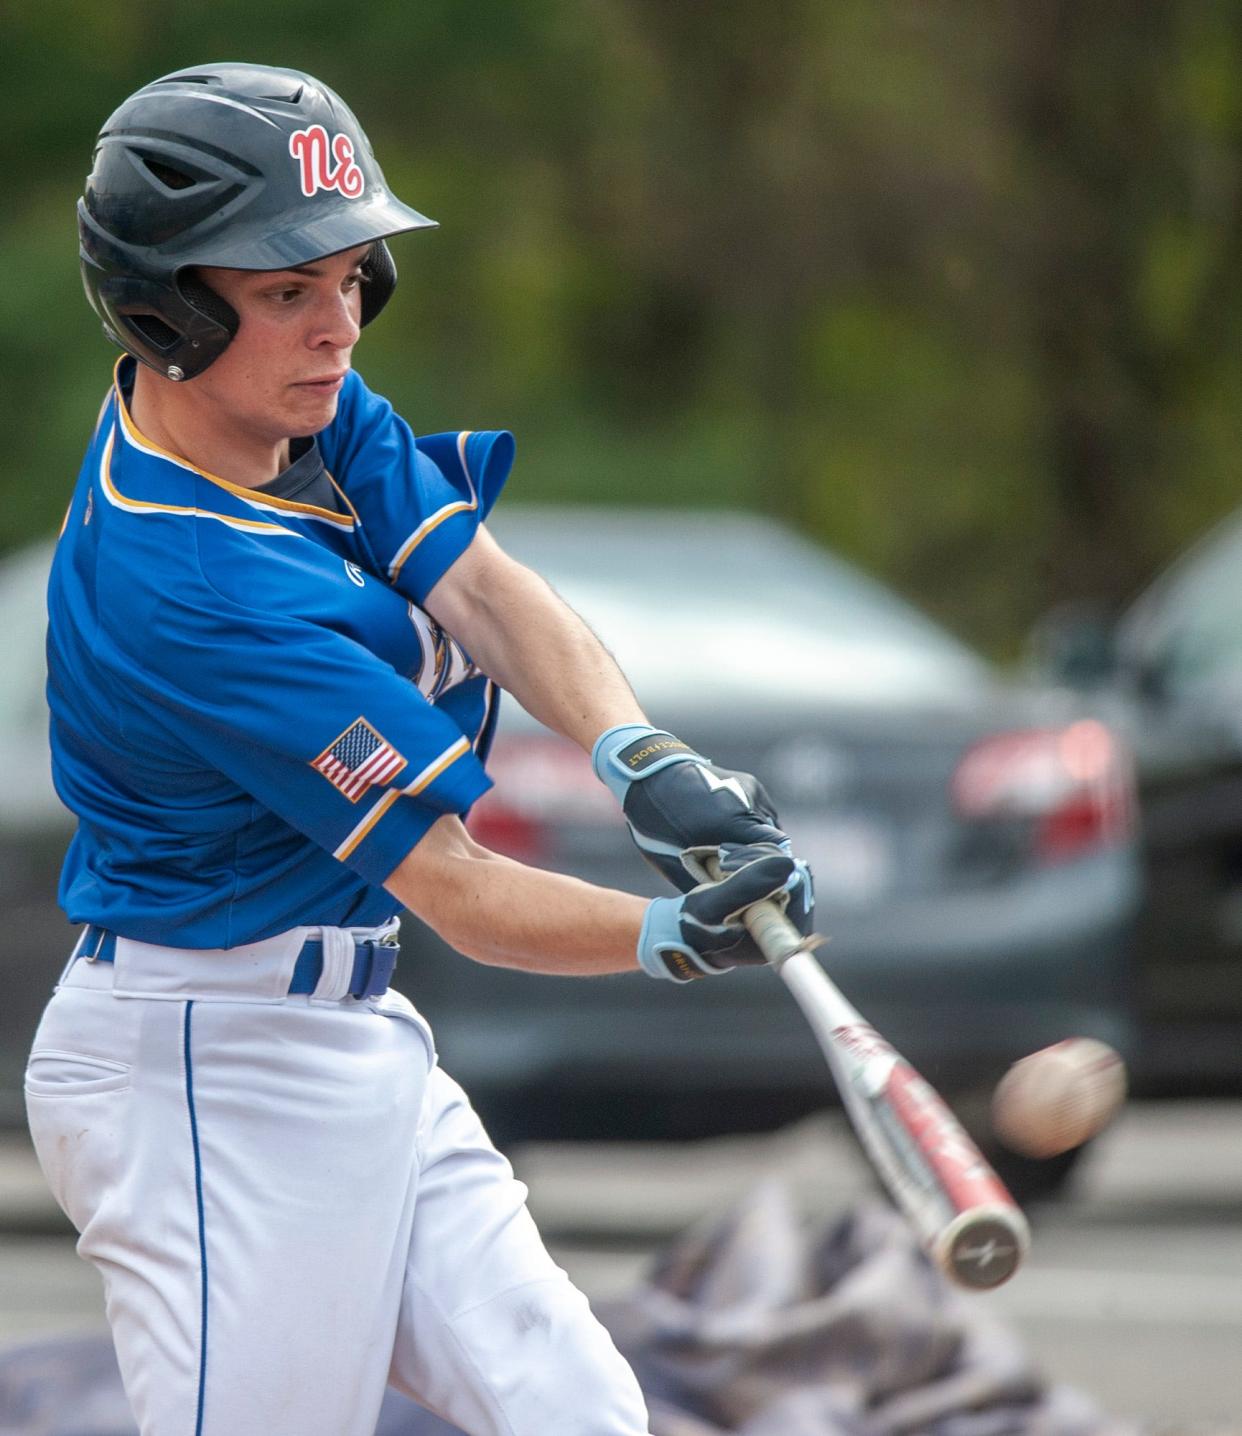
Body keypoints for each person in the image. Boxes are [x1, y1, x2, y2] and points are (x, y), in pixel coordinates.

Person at [28, 62, 814, 1436]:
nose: (337, 324)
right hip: (210, 1070)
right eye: (288, 290)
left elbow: (480, 588)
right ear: (162, 304)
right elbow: (454, 888)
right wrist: (669, 936)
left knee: (582, 1418)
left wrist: (639, 754)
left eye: (349, 278)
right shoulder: (192, 586)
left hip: (351, 1039)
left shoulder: (282, 417)